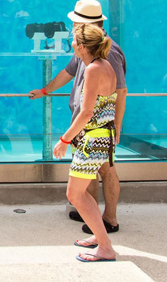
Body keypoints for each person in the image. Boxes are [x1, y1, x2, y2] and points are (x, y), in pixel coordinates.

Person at [29, 0, 126, 235]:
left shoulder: (107, 52)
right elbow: (69, 72)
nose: (72, 28)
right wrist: (45, 90)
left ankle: (109, 219)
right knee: (87, 169)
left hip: (96, 126)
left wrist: (117, 126)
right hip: (85, 124)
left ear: (83, 25)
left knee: (105, 169)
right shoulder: (87, 48)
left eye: (75, 23)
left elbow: (120, 91)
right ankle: (90, 213)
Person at [52, 21, 118, 262]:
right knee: (80, 192)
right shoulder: (104, 65)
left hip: (93, 140)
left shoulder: (93, 69)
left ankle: (106, 247)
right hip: (100, 138)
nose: (72, 43)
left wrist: (64, 140)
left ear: (80, 46)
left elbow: (87, 112)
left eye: (74, 39)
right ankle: (100, 237)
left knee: (75, 194)